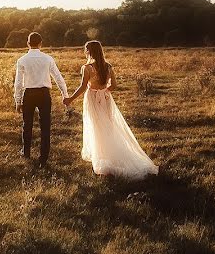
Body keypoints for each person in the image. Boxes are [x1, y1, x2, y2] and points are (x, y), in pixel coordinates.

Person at [64, 40, 158, 179]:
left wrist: (70, 99)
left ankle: (103, 159)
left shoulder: (87, 68)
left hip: (93, 98)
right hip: (106, 98)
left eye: (86, 49)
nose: (85, 51)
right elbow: (114, 85)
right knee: (108, 126)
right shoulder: (108, 66)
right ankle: (111, 154)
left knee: (97, 127)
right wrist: (104, 91)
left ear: (89, 51)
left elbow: (83, 87)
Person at [12, 32, 69, 167]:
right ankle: (43, 157)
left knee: (27, 124)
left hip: (29, 94)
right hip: (44, 94)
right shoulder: (48, 59)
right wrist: (64, 94)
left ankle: (26, 153)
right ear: (41, 43)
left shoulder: (22, 60)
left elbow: (18, 83)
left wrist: (18, 101)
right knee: (45, 126)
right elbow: (58, 78)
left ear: (28, 43)